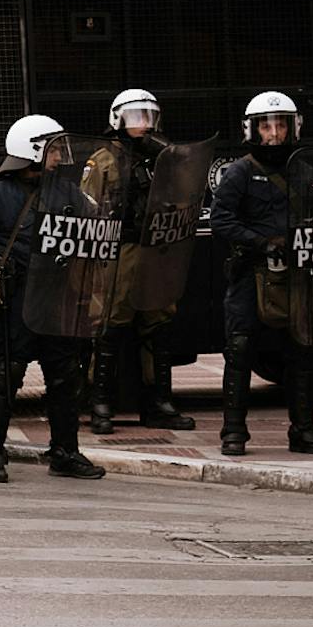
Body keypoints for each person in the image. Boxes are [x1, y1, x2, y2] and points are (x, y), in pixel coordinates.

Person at [0, 115, 107, 484]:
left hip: (58, 296)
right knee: (6, 376)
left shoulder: (67, 191)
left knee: (64, 377)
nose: (58, 156)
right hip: (15, 297)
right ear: (31, 150)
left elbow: (93, 231)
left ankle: (65, 452)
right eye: (52, 149)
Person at [208, 90, 313, 459]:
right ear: (253, 130)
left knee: (301, 350)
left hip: (296, 274)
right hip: (251, 273)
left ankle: (304, 430)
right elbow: (221, 220)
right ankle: (233, 431)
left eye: (281, 124)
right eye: (267, 125)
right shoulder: (240, 171)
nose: (274, 133)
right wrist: (261, 243)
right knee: (241, 349)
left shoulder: (303, 168)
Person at [81, 88, 192, 434]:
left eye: (148, 118)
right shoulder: (103, 160)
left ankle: (159, 401)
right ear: (118, 120)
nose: (143, 125)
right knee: (111, 323)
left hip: (156, 246)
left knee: (158, 322)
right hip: (121, 248)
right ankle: (100, 401)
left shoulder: (165, 156)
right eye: (135, 118)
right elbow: (88, 206)